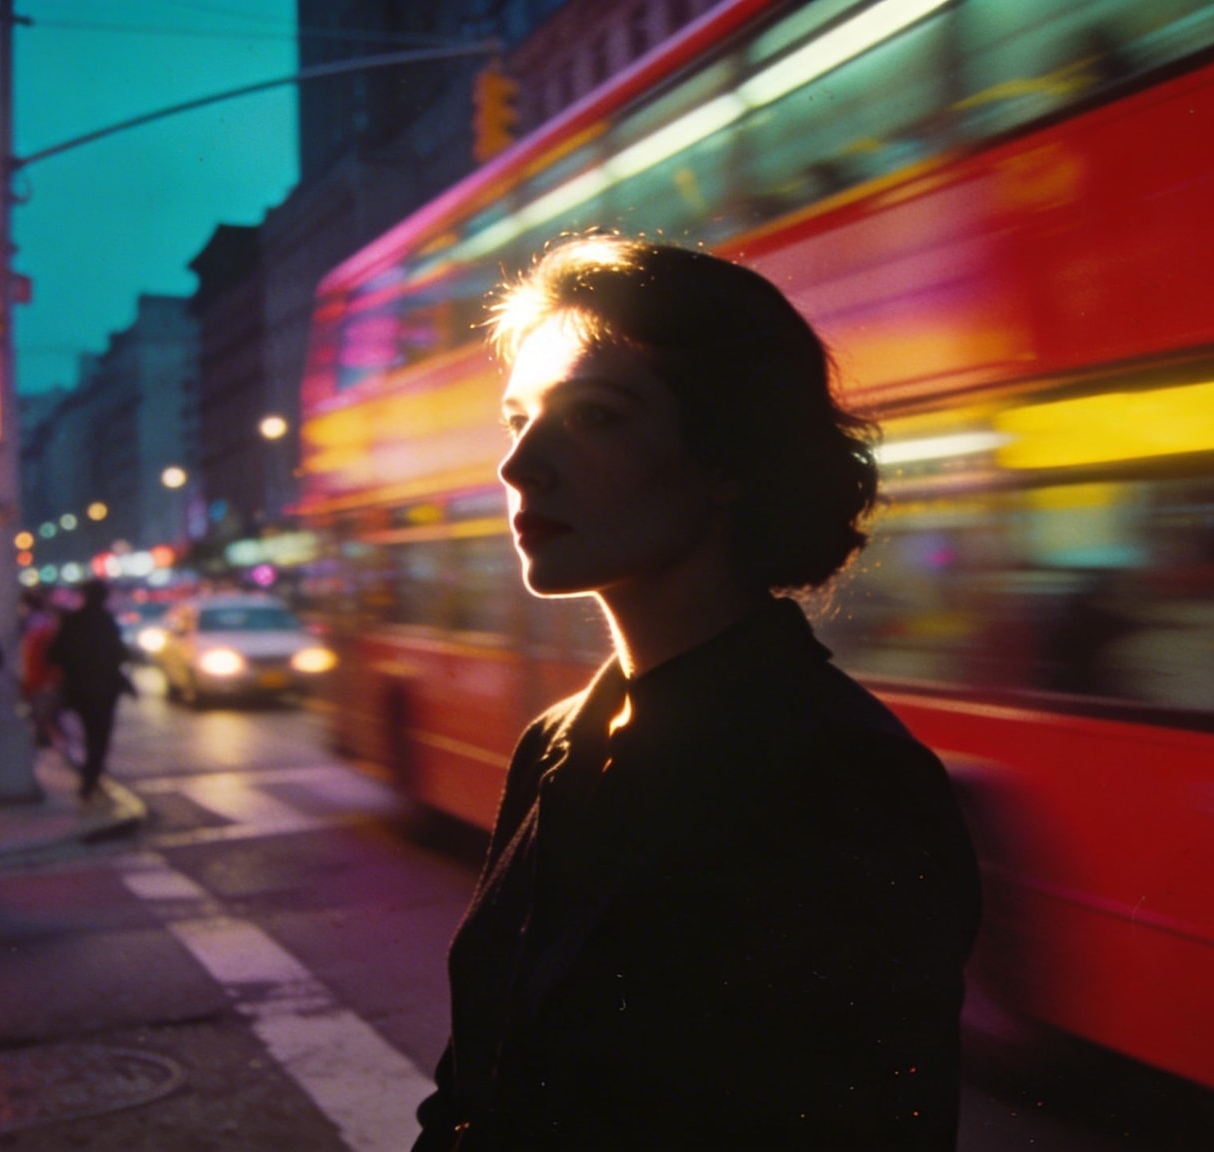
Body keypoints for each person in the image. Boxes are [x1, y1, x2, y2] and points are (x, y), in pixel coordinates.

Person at [413, 236, 981, 1151]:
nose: (519, 466)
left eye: (593, 416)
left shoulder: (851, 783)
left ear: (729, 458)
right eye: (518, 419)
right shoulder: (556, 744)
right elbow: (476, 1085)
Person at [46, 578, 131, 801]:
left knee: (85, 732)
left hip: (79, 687)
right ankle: (91, 776)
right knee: (98, 734)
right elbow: (119, 654)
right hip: (102, 688)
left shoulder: (73, 621)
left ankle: (90, 776)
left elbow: (54, 654)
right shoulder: (106, 622)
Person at [18, 589, 65, 753]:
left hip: (39, 680)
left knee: (42, 717)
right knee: (44, 717)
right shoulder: (44, 624)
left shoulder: (38, 627)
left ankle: (46, 744)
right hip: (40, 679)